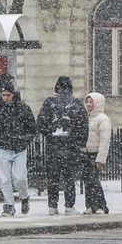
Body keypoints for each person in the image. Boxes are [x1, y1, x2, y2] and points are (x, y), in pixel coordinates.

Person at [36, 75, 88, 215]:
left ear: (56, 88)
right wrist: (79, 142)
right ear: (70, 88)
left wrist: (50, 133)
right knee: (69, 177)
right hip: (70, 147)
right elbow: (83, 126)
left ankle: (52, 206)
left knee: (52, 177)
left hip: (53, 147)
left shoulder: (49, 102)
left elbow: (40, 123)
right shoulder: (77, 103)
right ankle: (69, 206)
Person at [0, 76, 36, 216]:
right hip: (3, 146)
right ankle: (9, 204)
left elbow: (31, 129)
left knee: (20, 177)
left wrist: (23, 140)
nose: (5, 98)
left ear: (13, 95)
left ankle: (24, 197)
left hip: (19, 147)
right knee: (4, 179)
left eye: (8, 95)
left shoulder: (23, 108)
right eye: (3, 95)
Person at [81, 92, 111, 215]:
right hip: (86, 153)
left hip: (95, 154)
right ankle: (89, 205)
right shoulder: (85, 117)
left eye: (91, 102)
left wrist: (101, 159)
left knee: (94, 180)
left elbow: (105, 141)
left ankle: (101, 206)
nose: (88, 104)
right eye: (87, 101)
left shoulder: (103, 119)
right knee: (87, 180)